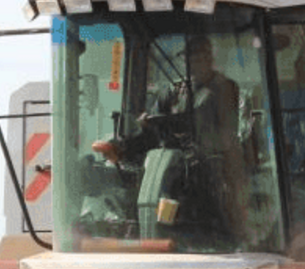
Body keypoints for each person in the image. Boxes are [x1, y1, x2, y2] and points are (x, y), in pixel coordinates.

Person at [91, 36, 247, 241]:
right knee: (146, 174)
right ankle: (141, 223)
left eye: (200, 56)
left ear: (210, 58)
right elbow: (153, 127)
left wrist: (177, 124)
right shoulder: (176, 90)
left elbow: (221, 132)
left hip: (211, 166)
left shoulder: (225, 88)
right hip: (174, 164)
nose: (195, 62)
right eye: (190, 57)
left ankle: (206, 235)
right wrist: (143, 124)